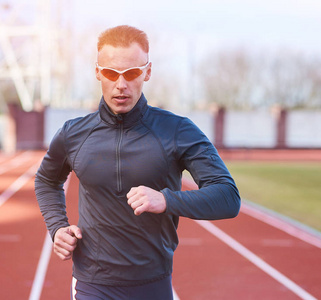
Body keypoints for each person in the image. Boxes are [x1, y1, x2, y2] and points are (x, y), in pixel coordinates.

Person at [34, 25, 241, 300]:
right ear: (98, 72)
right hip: (91, 283)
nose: (121, 85)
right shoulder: (73, 134)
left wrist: (167, 200)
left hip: (152, 284)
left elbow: (228, 197)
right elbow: (47, 180)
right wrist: (58, 226)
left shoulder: (177, 130)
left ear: (147, 72)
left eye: (132, 74)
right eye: (111, 73)